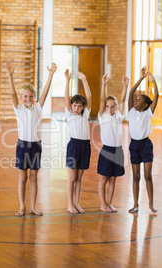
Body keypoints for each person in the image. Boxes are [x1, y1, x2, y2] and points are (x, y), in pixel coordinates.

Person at [5, 61, 57, 217]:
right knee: (23, 178)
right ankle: (22, 206)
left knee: (34, 177)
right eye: (25, 96)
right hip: (22, 146)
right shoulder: (19, 109)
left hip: (36, 146)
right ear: (21, 98)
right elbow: (13, 94)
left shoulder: (38, 108)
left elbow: (45, 93)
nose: (28, 98)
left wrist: (51, 74)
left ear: (34, 97)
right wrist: (10, 75)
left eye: (31, 96)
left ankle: (33, 206)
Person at [127, 66, 159, 213]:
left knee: (147, 175)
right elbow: (131, 92)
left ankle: (151, 203)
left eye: (139, 99)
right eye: (136, 99)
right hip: (134, 145)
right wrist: (141, 78)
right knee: (135, 176)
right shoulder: (131, 112)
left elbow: (156, 96)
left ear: (145, 105)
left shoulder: (148, 113)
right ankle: (135, 204)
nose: (135, 99)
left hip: (146, 145)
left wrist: (153, 82)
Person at [97, 74, 128, 212]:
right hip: (107, 151)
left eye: (113, 107)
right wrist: (104, 85)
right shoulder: (102, 117)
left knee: (113, 179)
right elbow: (103, 100)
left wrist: (125, 87)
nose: (110, 109)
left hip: (118, 150)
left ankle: (109, 203)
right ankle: (103, 204)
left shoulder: (118, 117)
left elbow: (122, 101)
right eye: (108, 106)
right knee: (104, 178)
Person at [64, 69, 92, 214]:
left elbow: (89, 96)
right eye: (74, 105)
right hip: (74, 146)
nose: (76, 108)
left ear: (83, 108)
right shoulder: (69, 115)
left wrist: (84, 79)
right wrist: (68, 80)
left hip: (85, 146)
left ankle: (76, 203)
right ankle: (70, 204)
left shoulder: (85, 115)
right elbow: (66, 97)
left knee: (80, 178)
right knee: (72, 177)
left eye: (80, 106)